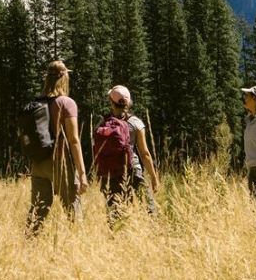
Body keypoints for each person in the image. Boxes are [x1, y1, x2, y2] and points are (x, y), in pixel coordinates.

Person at [26, 60, 88, 236]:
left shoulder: (37, 103)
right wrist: (82, 173)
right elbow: (74, 140)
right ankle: (78, 248)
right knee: (73, 211)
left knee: (37, 211)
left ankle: (29, 245)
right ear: (64, 77)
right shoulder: (66, 103)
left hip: (38, 163)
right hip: (60, 163)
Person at [97, 85, 159, 225]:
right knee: (149, 210)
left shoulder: (103, 122)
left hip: (110, 174)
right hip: (133, 171)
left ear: (111, 102)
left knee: (114, 214)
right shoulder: (136, 123)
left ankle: (116, 240)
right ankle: (153, 236)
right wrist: (154, 178)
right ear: (129, 102)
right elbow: (145, 154)